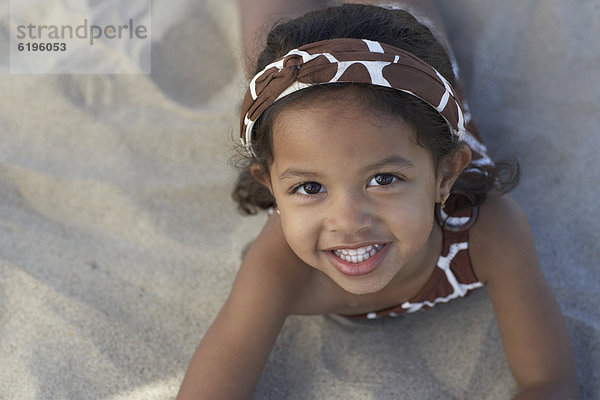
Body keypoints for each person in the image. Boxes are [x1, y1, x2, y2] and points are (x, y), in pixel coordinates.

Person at [177, 1, 578, 399]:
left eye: (383, 179)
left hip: (405, 73)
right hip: (313, 78)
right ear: (271, 188)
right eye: (310, 187)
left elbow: (549, 382)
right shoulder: (279, 268)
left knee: (406, 16)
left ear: (446, 176)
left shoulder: (487, 230)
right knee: (270, 27)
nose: (348, 221)